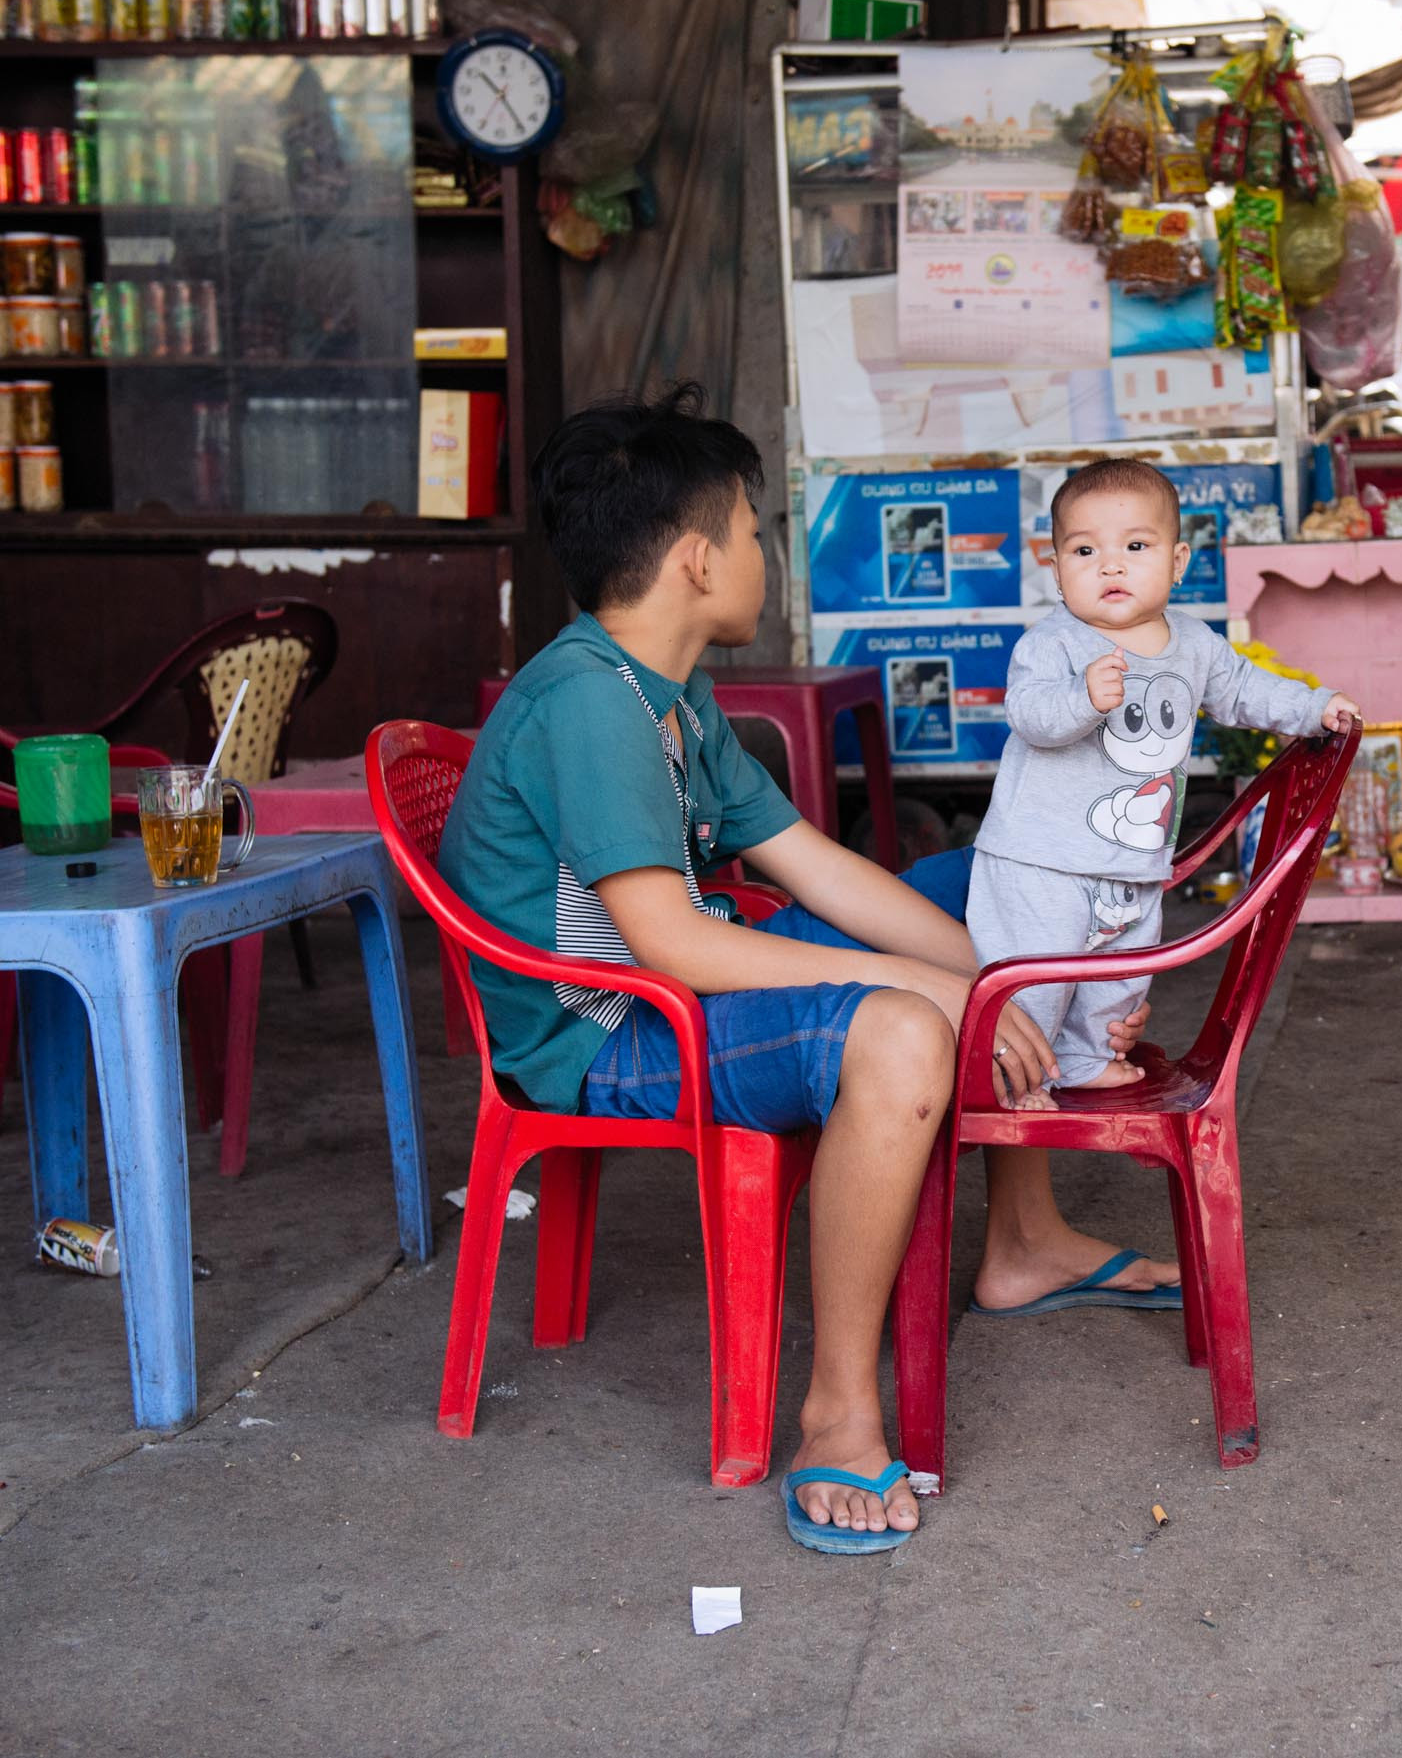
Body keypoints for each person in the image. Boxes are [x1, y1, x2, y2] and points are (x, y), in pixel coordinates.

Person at [437, 388, 1176, 1555]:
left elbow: (814, 866)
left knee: (995, 883)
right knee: (901, 1031)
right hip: (610, 1037)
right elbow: (672, 945)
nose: (761, 555)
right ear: (696, 561)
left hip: (679, 997)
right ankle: (834, 1412)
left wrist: (994, 972)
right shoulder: (590, 704)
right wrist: (940, 995)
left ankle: (1025, 1240)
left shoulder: (670, 694)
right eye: (751, 531)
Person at [967, 458, 1357, 1099]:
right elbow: (1030, 717)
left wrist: (1313, 708)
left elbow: (1245, 690)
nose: (1110, 566)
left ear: (1177, 562)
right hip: (1040, 863)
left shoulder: (1195, 644)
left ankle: (1083, 1061)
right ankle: (1014, 1079)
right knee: (1034, 981)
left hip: (1133, 862)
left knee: (1117, 978)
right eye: (1085, 551)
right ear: (1057, 570)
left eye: (1135, 547)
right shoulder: (1053, 644)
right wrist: (1081, 698)